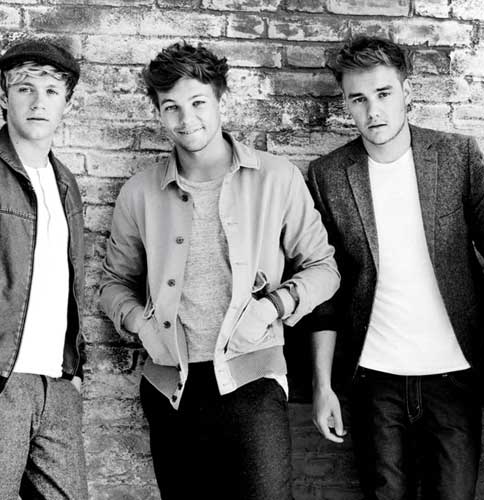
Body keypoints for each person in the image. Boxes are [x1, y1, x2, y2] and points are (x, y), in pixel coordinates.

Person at [98, 41, 339, 500]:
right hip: (171, 386)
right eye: (171, 107)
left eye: (197, 103)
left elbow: (323, 268)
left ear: (219, 99)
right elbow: (113, 284)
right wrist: (140, 323)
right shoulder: (139, 192)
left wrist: (273, 306)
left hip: (253, 381)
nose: (186, 119)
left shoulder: (276, 177)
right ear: (158, 112)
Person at [304, 36, 484, 500]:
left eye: (383, 94)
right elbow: (325, 291)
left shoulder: (456, 157)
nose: (373, 110)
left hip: (454, 372)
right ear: (346, 103)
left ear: (406, 92)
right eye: (358, 99)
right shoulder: (328, 175)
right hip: (374, 378)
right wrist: (322, 385)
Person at [0, 39, 88, 499]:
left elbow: (69, 282)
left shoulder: (67, 183)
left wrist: (76, 369)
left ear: (68, 103)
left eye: (51, 91)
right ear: (2, 97)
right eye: (25, 88)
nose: (38, 101)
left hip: (58, 385)